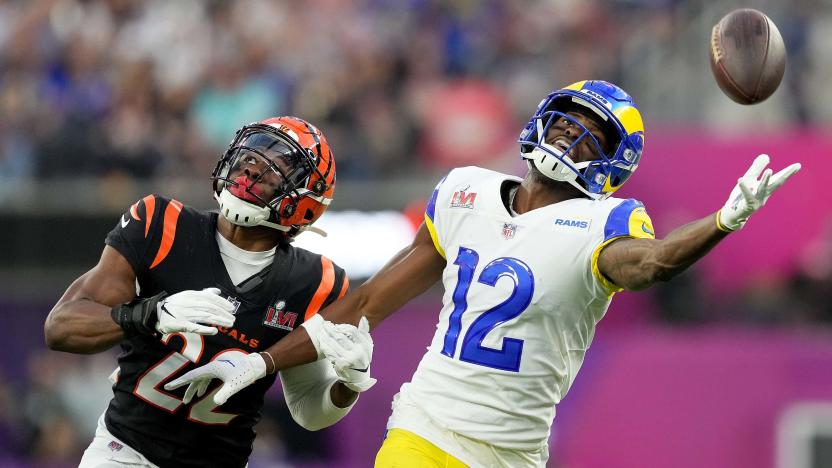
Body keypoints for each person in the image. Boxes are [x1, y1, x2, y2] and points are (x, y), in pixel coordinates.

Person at [170, 81, 801, 467]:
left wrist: (725, 218)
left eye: (590, 136)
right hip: (425, 427)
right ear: (539, 120)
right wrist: (260, 364)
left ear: (613, 163)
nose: (570, 138)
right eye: (566, 121)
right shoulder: (466, 191)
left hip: (513, 453)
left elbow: (655, 261)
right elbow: (368, 302)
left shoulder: (605, 224)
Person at [43, 116, 376, 468]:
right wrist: (149, 314)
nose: (252, 168)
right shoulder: (162, 223)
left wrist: (349, 385)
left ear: (305, 201)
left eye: (275, 167)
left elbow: (309, 409)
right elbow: (61, 327)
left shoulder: (314, 282)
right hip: (123, 451)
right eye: (251, 156)